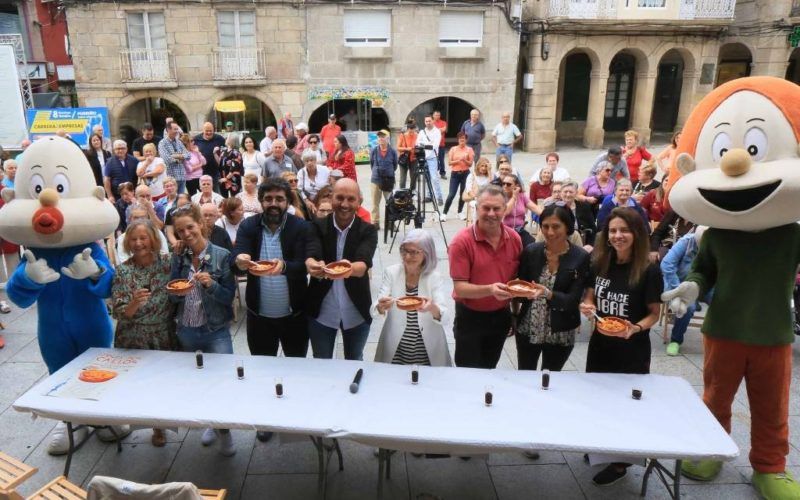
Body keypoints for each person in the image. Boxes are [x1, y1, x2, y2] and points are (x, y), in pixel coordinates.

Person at [579, 207, 663, 486]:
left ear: (637, 233)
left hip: (632, 350)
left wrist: (635, 328)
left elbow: (654, 313)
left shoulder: (649, 269)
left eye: (624, 230)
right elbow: (591, 293)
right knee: (598, 399)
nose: (617, 236)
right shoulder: (601, 260)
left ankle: (619, 463)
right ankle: (601, 447)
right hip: (601, 344)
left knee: (624, 406)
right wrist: (589, 305)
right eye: (613, 230)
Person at [169, 203, 237, 456]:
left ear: (201, 224)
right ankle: (211, 421)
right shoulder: (178, 255)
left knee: (223, 382)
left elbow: (229, 296)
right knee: (199, 381)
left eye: (190, 227)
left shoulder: (221, 255)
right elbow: (172, 293)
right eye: (180, 231)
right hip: (186, 328)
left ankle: (226, 431)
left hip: (215, 329)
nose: (186, 234)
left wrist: (212, 286)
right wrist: (178, 292)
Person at [110, 220, 176, 447]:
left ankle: (160, 426)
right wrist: (134, 304)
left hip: (162, 334)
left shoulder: (168, 264)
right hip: (133, 335)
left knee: (162, 384)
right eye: (134, 239)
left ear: (154, 240)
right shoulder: (123, 270)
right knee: (138, 385)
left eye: (143, 238)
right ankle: (140, 421)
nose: (138, 243)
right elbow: (118, 313)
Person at [448, 184, 522, 369]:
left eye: (496, 208)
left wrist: (513, 313)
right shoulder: (462, 241)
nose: (491, 213)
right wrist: (490, 289)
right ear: (476, 207)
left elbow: (514, 280)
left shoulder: (514, 239)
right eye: (486, 208)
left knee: (490, 367)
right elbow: (460, 288)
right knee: (467, 369)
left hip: (500, 315)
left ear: (505, 209)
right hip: (470, 316)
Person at [305, 178, 378, 360]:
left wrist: (346, 268)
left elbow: (363, 264)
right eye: (339, 198)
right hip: (322, 310)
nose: (345, 204)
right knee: (322, 362)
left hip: (356, 311)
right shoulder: (316, 226)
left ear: (359, 201)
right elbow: (312, 252)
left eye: (351, 199)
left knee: (354, 361)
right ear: (331, 199)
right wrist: (312, 263)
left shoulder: (367, 230)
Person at [515, 204, 591, 371]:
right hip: (529, 326)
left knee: (551, 379)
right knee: (525, 375)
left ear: (568, 228)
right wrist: (517, 293)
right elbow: (521, 288)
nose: (550, 232)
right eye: (545, 226)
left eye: (556, 226)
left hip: (561, 331)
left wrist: (548, 294)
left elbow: (573, 300)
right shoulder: (531, 252)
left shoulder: (580, 257)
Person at [373, 229, 452, 366]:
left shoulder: (434, 277)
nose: (408, 257)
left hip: (427, 349)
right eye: (405, 250)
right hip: (396, 347)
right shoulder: (391, 272)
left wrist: (432, 307)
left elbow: (445, 316)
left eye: (414, 252)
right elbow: (377, 305)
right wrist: (381, 306)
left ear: (427, 254)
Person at [661, 227, 708, 356]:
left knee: (721, 299)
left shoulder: (716, 245)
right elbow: (666, 264)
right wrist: (679, 289)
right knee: (688, 307)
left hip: (703, 284)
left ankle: (720, 340)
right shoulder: (686, 242)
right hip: (678, 284)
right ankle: (675, 340)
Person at [442, 132, 474, 222]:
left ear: (466, 140)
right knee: (451, 194)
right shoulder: (453, 149)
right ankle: (444, 213)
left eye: (463, 139)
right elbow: (449, 163)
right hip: (455, 174)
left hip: (466, 174)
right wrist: (458, 160)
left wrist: (465, 160)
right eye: (460, 139)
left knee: (462, 194)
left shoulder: (469, 149)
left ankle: (460, 212)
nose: (462, 140)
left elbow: (470, 164)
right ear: (458, 140)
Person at [369, 129, 397, 230]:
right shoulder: (374, 150)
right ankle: (375, 222)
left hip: (389, 180)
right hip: (376, 180)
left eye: (383, 136)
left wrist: (388, 172)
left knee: (390, 202)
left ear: (388, 138)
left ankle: (390, 223)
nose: (381, 138)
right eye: (379, 137)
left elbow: (395, 165)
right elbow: (372, 164)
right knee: (374, 203)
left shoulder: (393, 151)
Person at [558, 181, 597, 247]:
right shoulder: (555, 208)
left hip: (582, 241)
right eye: (565, 192)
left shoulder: (584, 207)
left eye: (571, 192)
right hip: (561, 241)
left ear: (576, 193)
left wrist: (590, 245)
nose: (568, 194)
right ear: (561, 193)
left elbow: (593, 228)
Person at [502, 174, 540, 239]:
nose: (505, 186)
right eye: (503, 183)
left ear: (516, 186)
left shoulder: (522, 196)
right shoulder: (500, 196)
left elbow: (535, 208)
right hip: (505, 231)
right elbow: (505, 211)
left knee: (532, 245)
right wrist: (514, 197)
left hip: (519, 230)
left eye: (508, 184)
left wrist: (548, 215)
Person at [416, 115, 444, 205]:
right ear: (424, 122)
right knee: (425, 177)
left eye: (429, 121)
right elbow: (417, 143)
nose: (428, 123)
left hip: (432, 158)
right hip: (423, 158)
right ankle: (429, 196)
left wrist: (424, 145)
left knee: (434, 178)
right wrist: (427, 144)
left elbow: (434, 146)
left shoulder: (437, 132)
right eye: (426, 121)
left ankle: (439, 197)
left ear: (433, 121)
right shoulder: (422, 132)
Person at [158, 122, 191, 194]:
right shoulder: (162, 143)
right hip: (171, 178)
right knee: (173, 199)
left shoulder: (179, 142)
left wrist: (177, 156)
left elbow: (188, 156)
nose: (177, 131)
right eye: (175, 129)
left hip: (182, 176)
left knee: (181, 199)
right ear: (168, 130)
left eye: (177, 129)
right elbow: (166, 159)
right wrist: (181, 157)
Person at [194, 123, 226, 192]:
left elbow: (225, 153)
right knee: (203, 194)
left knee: (216, 193)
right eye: (207, 131)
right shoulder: (196, 139)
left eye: (211, 131)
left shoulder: (219, 139)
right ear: (203, 130)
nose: (209, 132)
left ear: (213, 130)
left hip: (216, 172)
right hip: (201, 172)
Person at [463, 157, 492, 224]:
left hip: (487, 201)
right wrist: (476, 198)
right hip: (474, 201)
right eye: (482, 166)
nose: (484, 168)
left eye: (486, 166)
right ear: (478, 166)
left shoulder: (490, 176)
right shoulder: (472, 176)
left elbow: (492, 188)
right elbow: (469, 190)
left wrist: (489, 172)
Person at [396, 119, 418, 189]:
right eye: (410, 130)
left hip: (413, 159)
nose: (411, 132)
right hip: (404, 159)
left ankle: (412, 193)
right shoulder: (402, 136)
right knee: (403, 178)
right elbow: (398, 148)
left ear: (415, 129)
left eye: (413, 130)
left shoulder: (417, 135)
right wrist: (406, 149)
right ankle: (402, 194)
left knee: (413, 177)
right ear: (407, 129)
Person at [432, 110, 448, 179]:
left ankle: (442, 173)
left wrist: (435, 130)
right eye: (436, 115)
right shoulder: (431, 122)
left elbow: (444, 129)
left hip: (441, 145)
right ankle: (434, 173)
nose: (437, 116)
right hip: (433, 145)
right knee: (434, 159)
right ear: (433, 116)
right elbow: (430, 131)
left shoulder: (443, 122)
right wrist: (439, 130)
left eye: (438, 115)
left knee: (441, 160)